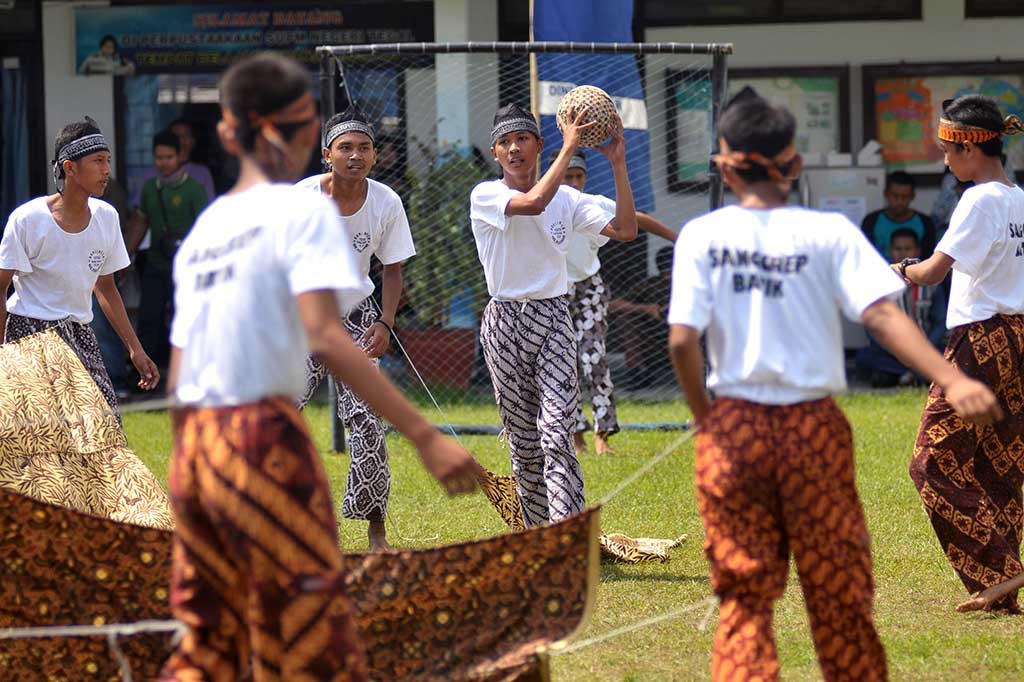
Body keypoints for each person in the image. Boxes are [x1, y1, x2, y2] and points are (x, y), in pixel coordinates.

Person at [162, 53, 481, 681]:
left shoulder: (206, 230)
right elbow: (325, 338)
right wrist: (425, 436)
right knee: (311, 629)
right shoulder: (303, 209)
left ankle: (376, 525)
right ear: (312, 136)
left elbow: (180, 378)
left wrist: (188, 477)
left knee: (212, 636)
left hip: (197, 444)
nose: (354, 155)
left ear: (228, 133)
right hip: (261, 435)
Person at [667, 94, 1001, 681]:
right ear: (795, 166)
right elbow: (884, 316)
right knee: (838, 592)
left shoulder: (703, 234)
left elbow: (680, 340)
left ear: (722, 166)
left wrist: (706, 420)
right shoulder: (828, 233)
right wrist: (951, 376)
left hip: (735, 428)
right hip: (812, 430)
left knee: (744, 600)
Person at [469, 102, 638, 528]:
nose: (514, 149)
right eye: (504, 142)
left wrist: (618, 164)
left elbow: (627, 230)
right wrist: (572, 146)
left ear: (539, 144)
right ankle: (536, 534)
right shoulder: (487, 195)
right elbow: (533, 202)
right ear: (495, 153)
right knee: (525, 444)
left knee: (557, 432)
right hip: (504, 321)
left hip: (554, 319)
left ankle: (567, 537)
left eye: (522, 139)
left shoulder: (569, 198)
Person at [897, 94, 1024, 615]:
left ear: (971, 146)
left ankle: (999, 569)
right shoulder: (1018, 197)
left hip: (980, 340)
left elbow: (934, 272)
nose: (945, 161)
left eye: (948, 150)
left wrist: (902, 270)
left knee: (933, 462)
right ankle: (1003, 586)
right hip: (1019, 337)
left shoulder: (979, 200)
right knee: (1000, 462)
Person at [295, 106, 416, 552]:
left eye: (364, 148)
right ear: (327, 154)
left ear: (375, 156)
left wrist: (385, 322)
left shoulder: (386, 202)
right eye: (345, 148)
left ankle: (376, 531)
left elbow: (393, 269)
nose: (355, 155)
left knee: (367, 421)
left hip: (360, 316)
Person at [0, 116, 159, 418]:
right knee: (42, 438)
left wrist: (135, 349)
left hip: (80, 334)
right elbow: (0, 288)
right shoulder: (27, 220)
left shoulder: (107, 217)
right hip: (29, 335)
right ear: (69, 168)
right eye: (98, 161)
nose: (107, 170)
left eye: (108, 161)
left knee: (104, 426)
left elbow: (107, 289)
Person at [553, 149, 677, 455]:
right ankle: (575, 434)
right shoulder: (547, 205)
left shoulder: (594, 204)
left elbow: (636, 220)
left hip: (590, 286)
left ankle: (602, 435)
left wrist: (678, 237)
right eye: (567, 176)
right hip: (556, 289)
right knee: (563, 363)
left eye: (579, 176)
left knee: (595, 358)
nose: (574, 182)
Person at [132, 129, 208, 372]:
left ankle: (185, 373)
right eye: (159, 157)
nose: (163, 163)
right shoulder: (149, 189)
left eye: (169, 157)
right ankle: (145, 375)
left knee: (183, 321)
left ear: (179, 156)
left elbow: (204, 229)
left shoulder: (194, 189)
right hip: (155, 263)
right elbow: (141, 223)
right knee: (148, 320)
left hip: (186, 268)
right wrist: (125, 258)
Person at [855, 228, 947, 387]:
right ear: (890, 251)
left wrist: (923, 349)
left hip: (927, 347)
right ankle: (917, 374)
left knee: (948, 354)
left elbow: (940, 322)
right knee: (863, 357)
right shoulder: (878, 283)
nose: (903, 253)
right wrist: (897, 349)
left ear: (917, 250)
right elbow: (872, 327)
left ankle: (902, 375)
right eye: (898, 249)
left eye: (908, 249)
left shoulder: (931, 283)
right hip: (891, 350)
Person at [609, 246, 676, 390]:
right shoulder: (651, 285)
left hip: (685, 334)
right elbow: (612, 304)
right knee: (626, 318)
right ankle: (637, 372)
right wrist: (646, 309)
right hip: (652, 337)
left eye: (671, 272)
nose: (668, 278)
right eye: (665, 273)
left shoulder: (689, 284)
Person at [861, 170, 937, 258]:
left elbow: (928, 259)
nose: (899, 201)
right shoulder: (871, 222)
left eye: (905, 197)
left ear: (912, 196)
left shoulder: (925, 223)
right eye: (895, 196)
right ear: (886, 194)